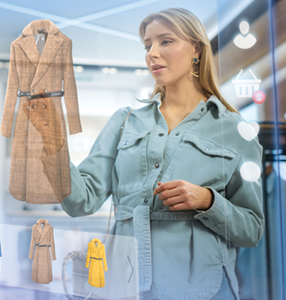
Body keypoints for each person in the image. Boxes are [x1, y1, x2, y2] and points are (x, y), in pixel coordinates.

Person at [61, 7, 264, 300]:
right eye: (147, 45)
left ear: (197, 49)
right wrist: (52, 144)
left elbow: (252, 230)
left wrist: (208, 201)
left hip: (201, 290)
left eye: (165, 41)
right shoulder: (125, 121)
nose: (152, 53)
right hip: (125, 284)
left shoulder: (234, 130)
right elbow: (81, 201)